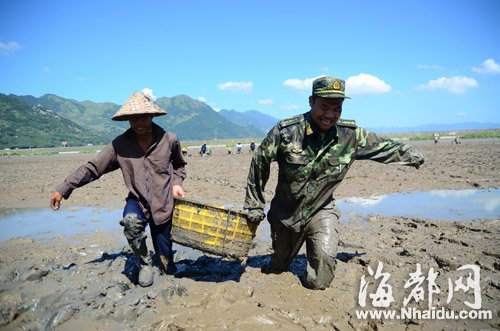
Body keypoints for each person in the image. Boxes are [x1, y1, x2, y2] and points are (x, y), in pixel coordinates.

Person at [243, 76, 424, 290]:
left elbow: (384, 147)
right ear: (311, 102)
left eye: (337, 108)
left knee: (321, 277)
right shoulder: (286, 132)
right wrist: (255, 204)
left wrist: (413, 155)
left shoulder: (350, 136)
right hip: (285, 215)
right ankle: (282, 262)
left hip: (321, 210)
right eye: (324, 107)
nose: (330, 115)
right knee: (278, 267)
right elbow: (260, 160)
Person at [50, 90, 187, 287]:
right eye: (133, 119)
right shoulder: (120, 145)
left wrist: (176, 184)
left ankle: (164, 261)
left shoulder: (169, 140)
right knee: (130, 222)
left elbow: (179, 166)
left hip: (164, 203)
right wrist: (64, 188)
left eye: (142, 118)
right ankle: (145, 263)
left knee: (168, 266)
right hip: (137, 201)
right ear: (127, 120)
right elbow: (93, 168)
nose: (138, 123)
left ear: (152, 116)